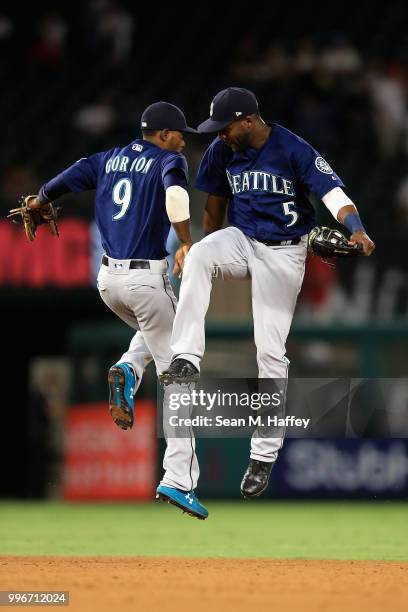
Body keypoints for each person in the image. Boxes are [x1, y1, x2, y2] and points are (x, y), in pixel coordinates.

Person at [160, 87, 375, 498]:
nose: (220, 135)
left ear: (248, 120)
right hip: (242, 239)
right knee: (202, 253)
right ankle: (186, 355)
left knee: (270, 351)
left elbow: (333, 194)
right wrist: (209, 243)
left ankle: (263, 454)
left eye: (225, 128)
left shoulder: (292, 148)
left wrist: (357, 228)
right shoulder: (222, 150)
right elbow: (214, 205)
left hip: (285, 253)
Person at [27, 102, 208, 519]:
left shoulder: (107, 159)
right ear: (163, 134)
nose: (184, 138)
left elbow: (67, 178)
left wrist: (41, 198)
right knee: (180, 379)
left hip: (108, 281)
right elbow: (178, 198)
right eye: (180, 132)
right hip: (147, 278)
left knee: (158, 327)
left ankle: (128, 367)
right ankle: (179, 480)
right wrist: (185, 239)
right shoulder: (169, 159)